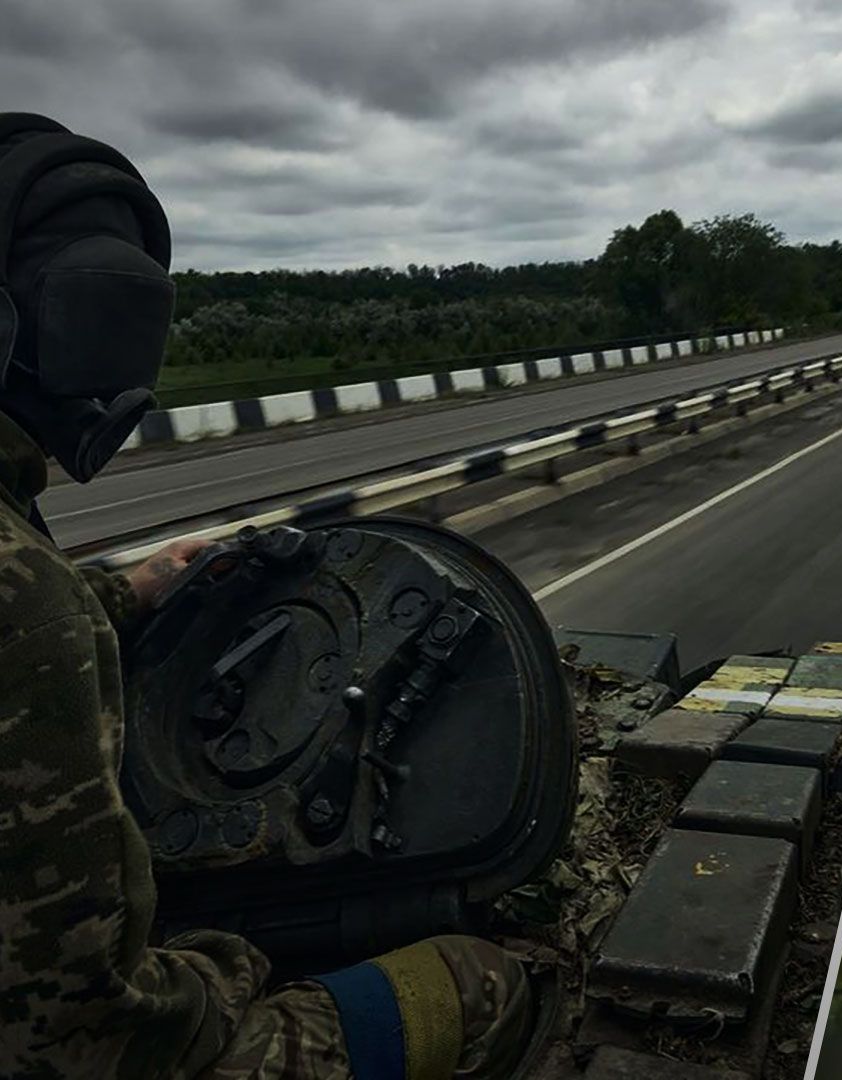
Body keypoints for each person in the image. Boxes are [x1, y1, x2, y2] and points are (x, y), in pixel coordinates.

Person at [0, 114, 533, 1079]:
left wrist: (116, 595)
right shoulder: (20, 599)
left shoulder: (32, 590)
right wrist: (235, 962)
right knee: (480, 983)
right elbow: (86, 1038)